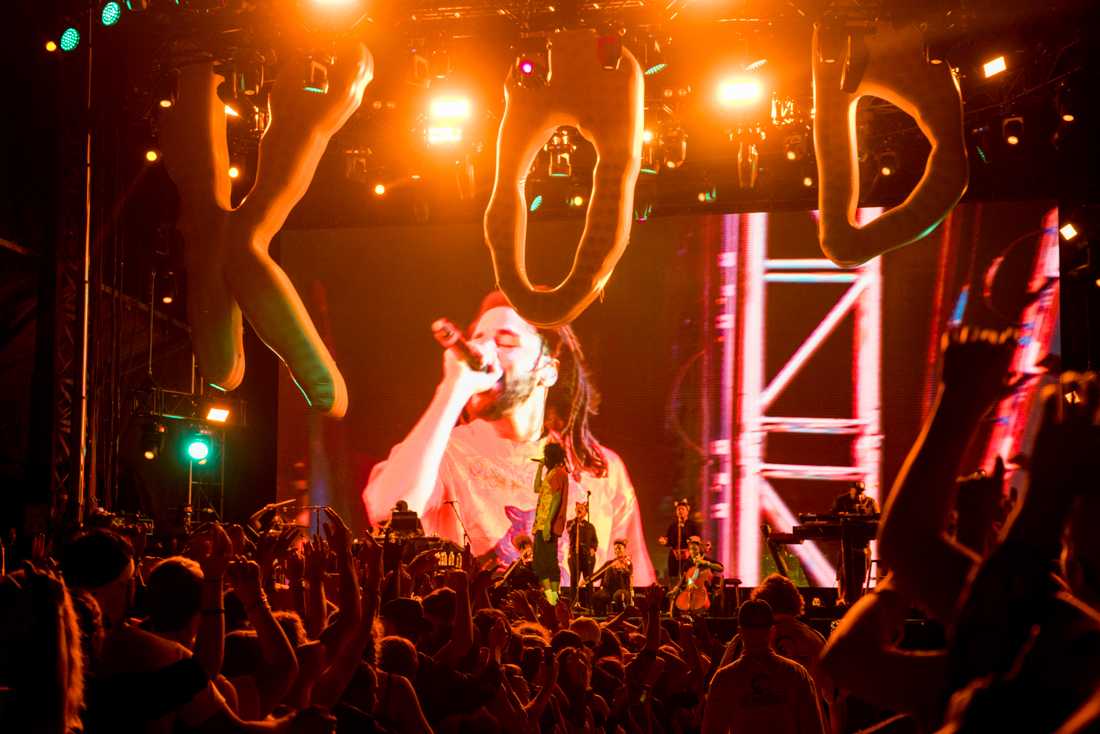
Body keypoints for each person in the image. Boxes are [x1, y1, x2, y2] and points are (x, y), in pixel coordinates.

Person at [362, 291, 655, 584]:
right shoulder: (443, 454)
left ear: (548, 370)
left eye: (505, 342)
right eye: (479, 339)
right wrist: (454, 387)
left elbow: (636, 582)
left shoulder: (598, 468)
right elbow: (388, 511)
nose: (486, 349)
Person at [703, 600, 826, 734]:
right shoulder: (797, 674)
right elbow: (813, 728)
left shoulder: (724, 679)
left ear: (740, 632)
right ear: (772, 631)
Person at [829, 481, 879, 605]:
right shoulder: (842, 500)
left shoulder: (870, 502)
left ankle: (857, 601)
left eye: (861, 493)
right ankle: (841, 599)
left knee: (861, 574)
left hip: (863, 544)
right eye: (856, 492)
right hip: (847, 543)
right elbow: (831, 515)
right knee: (844, 571)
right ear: (851, 490)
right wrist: (840, 515)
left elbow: (878, 518)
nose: (859, 496)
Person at [532, 442, 570, 604]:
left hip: (548, 526)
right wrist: (540, 468)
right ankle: (552, 599)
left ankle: (553, 600)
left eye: (546, 456)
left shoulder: (558, 473)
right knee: (541, 563)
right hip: (541, 525)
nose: (544, 458)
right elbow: (536, 488)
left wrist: (548, 524)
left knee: (547, 564)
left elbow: (556, 498)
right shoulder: (552, 473)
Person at [588, 538, 635, 614]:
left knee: (619, 595)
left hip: (622, 589)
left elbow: (629, 573)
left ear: (624, 549)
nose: (617, 550)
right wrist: (587, 580)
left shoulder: (628, 562)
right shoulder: (609, 563)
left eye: (619, 548)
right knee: (597, 596)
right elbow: (598, 574)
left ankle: (620, 619)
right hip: (608, 591)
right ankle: (601, 618)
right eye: (615, 548)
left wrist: (623, 568)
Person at [658, 499, 700, 583]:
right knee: (673, 577)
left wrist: (691, 543)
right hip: (675, 554)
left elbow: (698, 539)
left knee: (688, 576)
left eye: (682, 509)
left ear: (687, 511)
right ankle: (674, 592)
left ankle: (687, 592)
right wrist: (664, 541)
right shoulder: (673, 526)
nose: (680, 511)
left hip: (688, 554)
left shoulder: (692, 525)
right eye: (678, 509)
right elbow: (669, 540)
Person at [566, 501, 598, 603]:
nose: (579, 509)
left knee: (588, 580)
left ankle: (589, 605)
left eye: (582, 508)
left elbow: (595, 541)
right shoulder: (571, 523)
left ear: (586, 512)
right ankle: (573, 604)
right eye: (577, 508)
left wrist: (593, 548)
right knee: (574, 580)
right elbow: (569, 530)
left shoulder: (590, 526)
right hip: (574, 555)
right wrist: (576, 520)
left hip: (587, 557)